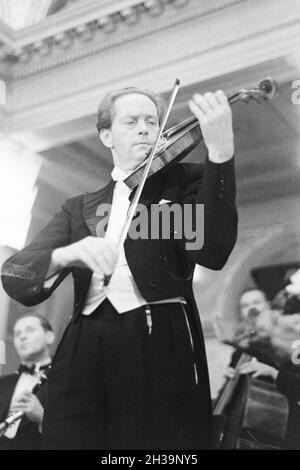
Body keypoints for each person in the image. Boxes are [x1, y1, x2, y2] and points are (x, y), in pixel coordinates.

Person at [1, 86, 238, 449]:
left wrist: (220, 154)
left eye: (152, 121)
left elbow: (211, 250)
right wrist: (67, 254)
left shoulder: (180, 185)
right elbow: (15, 275)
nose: (145, 129)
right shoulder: (79, 208)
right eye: (131, 121)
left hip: (157, 334)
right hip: (85, 339)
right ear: (107, 135)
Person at [0, 313, 53, 450]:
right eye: (17, 334)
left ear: (49, 337)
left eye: (30, 330)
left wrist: (42, 417)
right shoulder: (2, 383)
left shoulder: (65, 382)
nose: (22, 337)